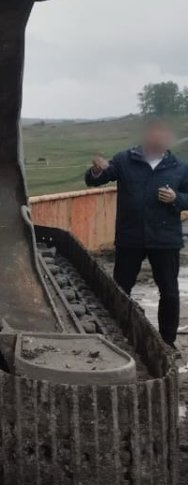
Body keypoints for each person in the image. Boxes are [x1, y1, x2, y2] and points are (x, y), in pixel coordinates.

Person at [85, 118, 188, 345]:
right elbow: (96, 180)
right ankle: (118, 337)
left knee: (169, 292)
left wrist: (177, 199)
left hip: (165, 239)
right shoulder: (125, 160)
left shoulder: (180, 167)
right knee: (120, 290)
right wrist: (95, 170)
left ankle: (167, 342)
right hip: (130, 237)